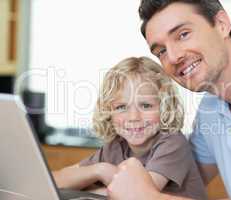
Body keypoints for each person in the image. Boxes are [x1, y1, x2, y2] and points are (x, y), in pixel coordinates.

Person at [107, 0, 231, 200]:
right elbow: (175, 182)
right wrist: (101, 172)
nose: (173, 57)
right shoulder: (211, 106)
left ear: (221, 24)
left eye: (183, 35)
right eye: (161, 51)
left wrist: (148, 197)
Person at [52, 56, 207, 200]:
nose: (133, 117)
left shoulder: (172, 143)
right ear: (108, 111)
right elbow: (56, 179)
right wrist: (99, 170)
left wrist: (89, 186)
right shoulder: (116, 146)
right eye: (121, 107)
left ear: (165, 107)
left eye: (146, 105)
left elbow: (137, 194)